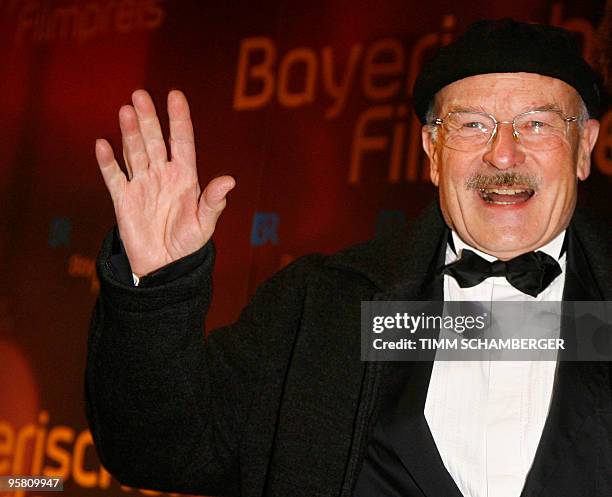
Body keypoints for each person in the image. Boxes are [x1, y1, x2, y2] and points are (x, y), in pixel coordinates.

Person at [86, 19, 611, 497]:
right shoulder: (321, 305)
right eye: (472, 124)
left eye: (537, 124)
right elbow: (162, 451)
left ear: (584, 146)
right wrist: (157, 289)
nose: (503, 153)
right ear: (432, 151)